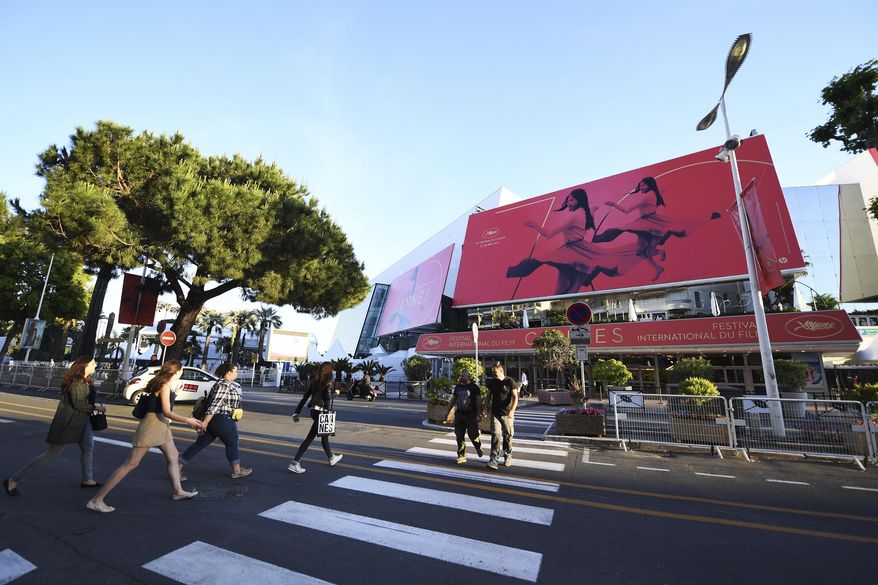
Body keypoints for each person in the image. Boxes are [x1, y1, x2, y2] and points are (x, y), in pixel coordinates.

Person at [85, 360, 200, 513]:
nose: (182, 372)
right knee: (131, 464)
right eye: (181, 370)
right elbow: (167, 411)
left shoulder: (163, 384)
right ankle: (96, 500)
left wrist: (175, 393)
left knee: (173, 457)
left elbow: (161, 405)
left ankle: (178, 491)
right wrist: (189, 420)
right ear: (176, 371)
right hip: (152, 425)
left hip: (161, 426)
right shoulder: (164, 385)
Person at [507, 188, 643, 295]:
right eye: (568, 200)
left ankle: (565, 316)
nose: (568, 203)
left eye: (571, 201)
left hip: (574, 251)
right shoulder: (585, 213)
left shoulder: (574, 215)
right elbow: (588, 227)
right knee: (571, 287)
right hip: (581, 250)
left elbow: (549, 234)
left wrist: (533, 225)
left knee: (566, 287)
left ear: (578, 201)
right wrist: (594, 210)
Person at [4, 357, 105, 496]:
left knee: (88, 448)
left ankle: (88, 479)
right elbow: (79, 404)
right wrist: (98, 409)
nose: (96, 365)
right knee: (51, 454)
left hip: (83, 421)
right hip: (69, 423)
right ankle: (13, 479)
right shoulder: (78, 382)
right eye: (93, 363)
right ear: (84, 366)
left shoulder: (86, 380)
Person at [594, 177, 721, 280]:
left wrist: (614, 204)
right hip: (647, 221)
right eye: (641, 185)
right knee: (643, 250)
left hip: (650, 222)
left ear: (649, 185)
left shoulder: (647, 196)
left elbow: (627, 210)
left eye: (644, 185)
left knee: (681, 228)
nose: (641, 187)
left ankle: (708, 217)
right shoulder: (653, 193)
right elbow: (660, 191)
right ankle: (658, 266)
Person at [178, 364, 252, 480]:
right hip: (222, 419)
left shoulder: (220, 383)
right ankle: (237, 471)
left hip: (216, 420)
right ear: (228, 372)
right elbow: (215, 405)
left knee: (199, 444)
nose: (236, 373)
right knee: (232, 442)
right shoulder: (224, 385)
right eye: (235, 371)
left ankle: (177, 467)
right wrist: (206, 422)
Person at [288, 362, 343, 473]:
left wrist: (296, 412)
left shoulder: (314, 381)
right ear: (329, 370)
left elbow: (304, 398)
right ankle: (295, 462)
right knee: (310, 438)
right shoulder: (328, 381)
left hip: (314, 411)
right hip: (322, 413)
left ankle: (331, 458)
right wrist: (336, 392)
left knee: (325, 437)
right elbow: (327, 397)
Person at [445, 369, 484, 464]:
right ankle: (461, 456)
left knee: (473, 435)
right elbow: (453, 400)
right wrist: (447, 412)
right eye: (460, 376)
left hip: (471, 415)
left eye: (463, 376)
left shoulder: (474, 387)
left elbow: (479, 401)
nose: (461, 378)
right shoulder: (458, 387)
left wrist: (479, 414)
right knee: (459, 436)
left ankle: (478, 446)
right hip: (459, 414)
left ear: (468, 377)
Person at [484, 362, 518, 470]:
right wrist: (485, 408)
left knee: (508, 436)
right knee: (496, 435)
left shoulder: (510, 381)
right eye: (492, 372)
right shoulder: (492, 382)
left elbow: (515, 397)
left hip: (507, 414)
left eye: (495, 372)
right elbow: (488, 396)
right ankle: (494, 459)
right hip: (495, 413)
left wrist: (512, 411)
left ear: (501, 371)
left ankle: (507, 455)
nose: (493, 374)